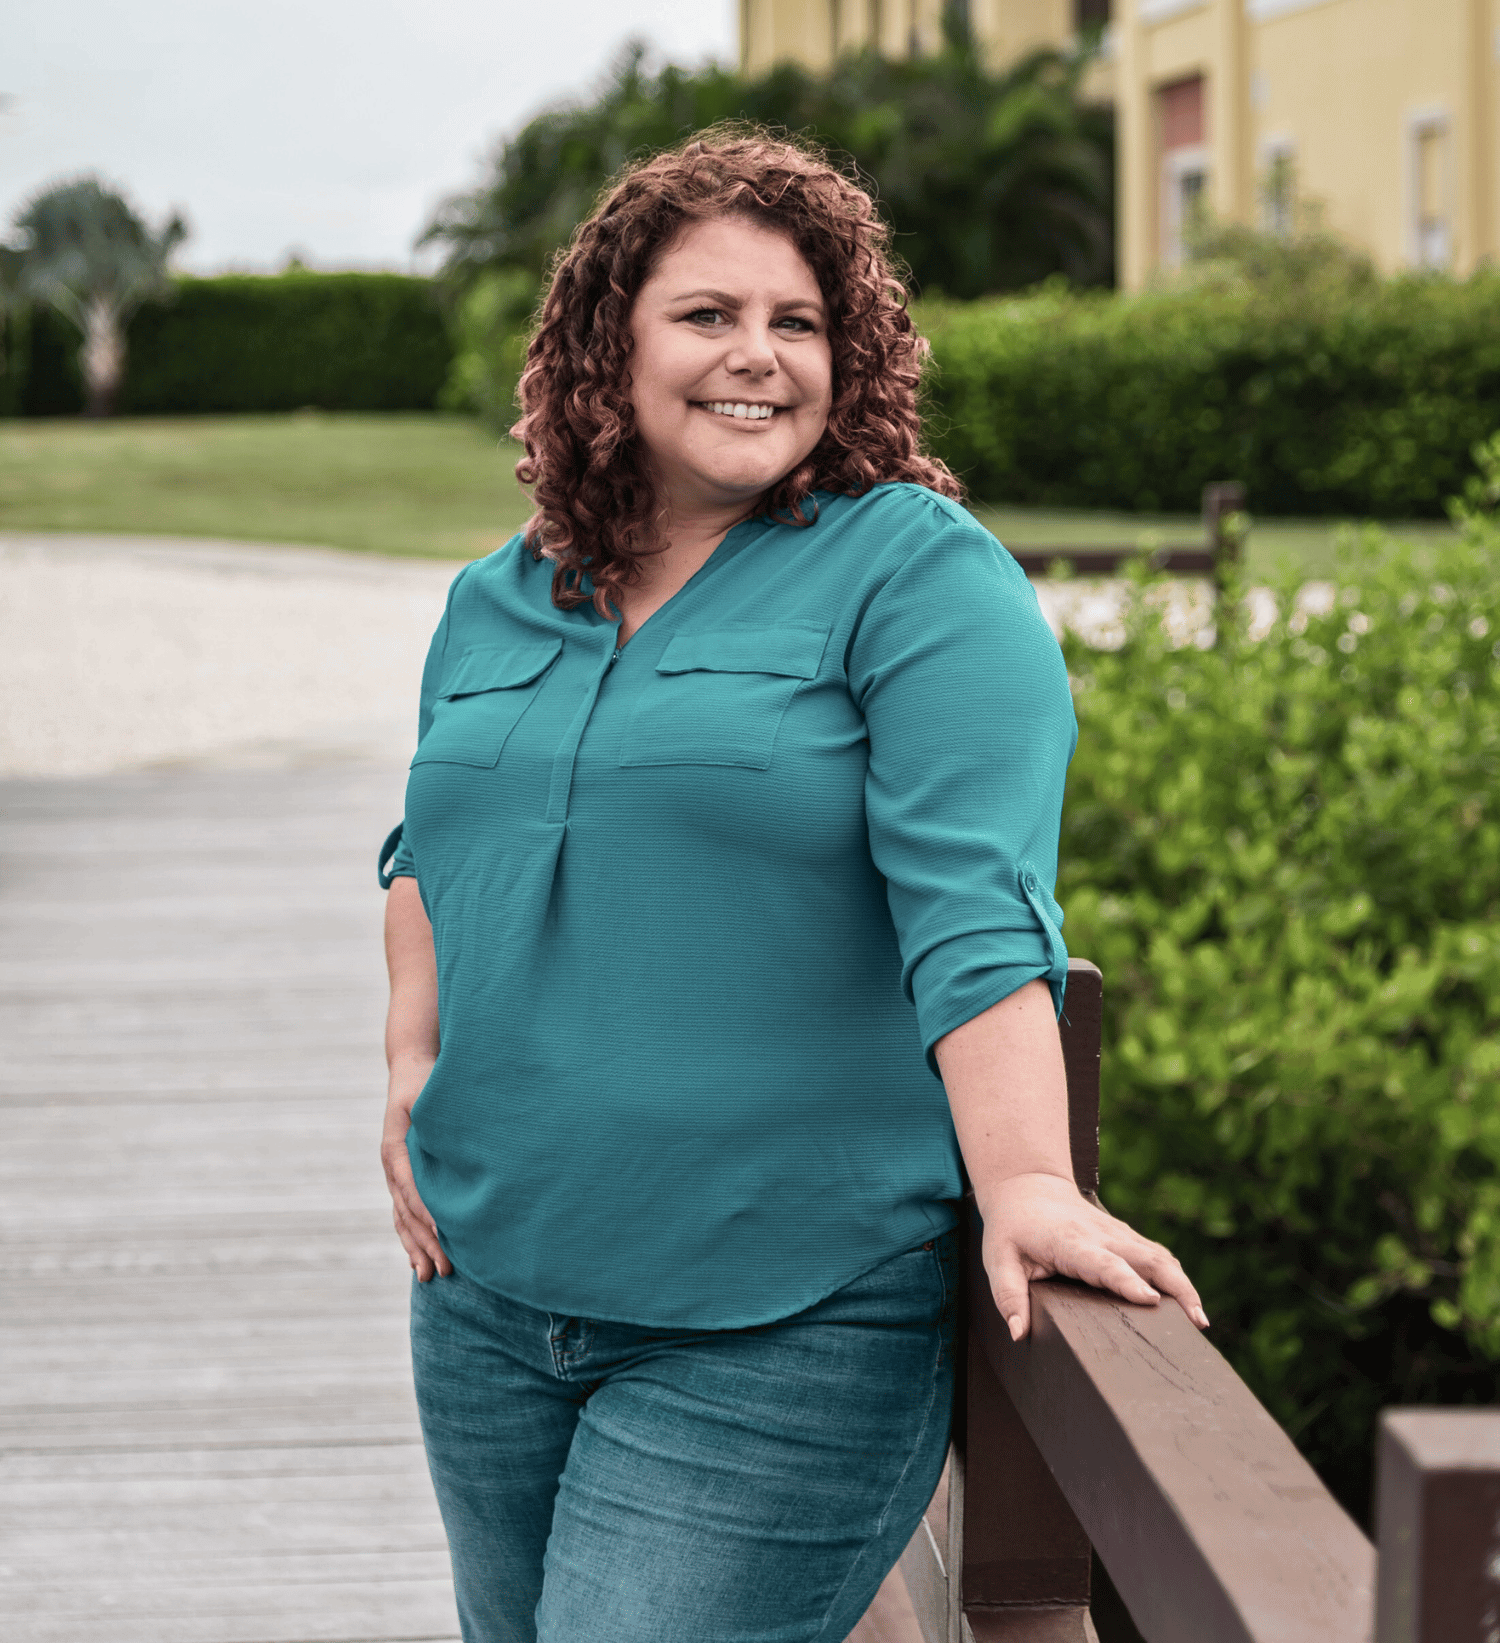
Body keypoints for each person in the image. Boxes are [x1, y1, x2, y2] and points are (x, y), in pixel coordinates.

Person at [378, 131, 1204, 1643]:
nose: (756, 355)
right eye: (707, 316)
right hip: (489, 1297)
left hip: (782, 1318)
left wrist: (1026, 1182)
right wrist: (411, 1067)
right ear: (605, 348)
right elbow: (432, 841)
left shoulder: (915, 576)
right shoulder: (499, 594)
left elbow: (977, 904)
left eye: (799, 322)